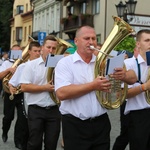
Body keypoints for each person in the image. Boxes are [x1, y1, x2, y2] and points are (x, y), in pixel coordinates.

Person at [54, 25, 137, 150]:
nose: (91, 42)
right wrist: (93, 85)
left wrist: (124, 75)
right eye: (87, 38)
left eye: (94, 39)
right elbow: (61, 93)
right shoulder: (65, 63)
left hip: (101, 124)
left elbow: (133, 78)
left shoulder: (104, 61)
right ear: (76, 41)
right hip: (75, 125)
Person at [20, 35, 61, 150]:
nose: (51, 50)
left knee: (52, 144)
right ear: (42, 48)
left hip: (54, 109)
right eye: (48, 47)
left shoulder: (60, 65)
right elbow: (24, 87)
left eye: (54, 48)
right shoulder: (30, 65)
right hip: (36, 109)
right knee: (34, 143)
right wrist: (45, 88)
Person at [8, 41, 41, 150]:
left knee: (35, 130)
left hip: (40, 101)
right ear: (29, 52)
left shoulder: (45, 65)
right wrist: (11, 86)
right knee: (23, 123)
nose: (38, 53)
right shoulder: (23, 66)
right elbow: (12, 82)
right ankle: (21, 142)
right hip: (25, 98)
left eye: (39, 51)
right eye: (35, 51)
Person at [124, 29, 150, 150]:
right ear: (138, 44)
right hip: (138, 115)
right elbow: (123, 94)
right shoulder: (128, 64)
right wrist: (144, 87)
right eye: (147, 40)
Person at [112, 50, 134, 150]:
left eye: (125, 57)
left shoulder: (132, 65)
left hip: (136, 103)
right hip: (125, 103)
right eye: (122, 58)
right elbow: (118, 93)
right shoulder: (118, 70)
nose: (124, 59)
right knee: (125, 133)